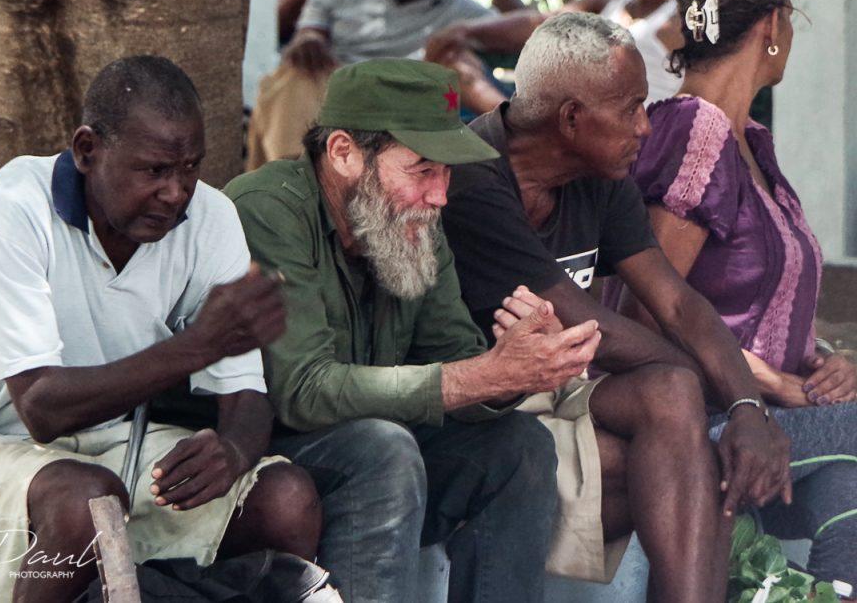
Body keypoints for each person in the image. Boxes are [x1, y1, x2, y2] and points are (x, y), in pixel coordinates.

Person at [0, 56, 321, 603]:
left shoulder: (211, 218)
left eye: (190, 168)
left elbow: (244, 393)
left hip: (116, 448)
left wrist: (232, 450)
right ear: (87, 150)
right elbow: (42, 408)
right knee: (87, 502)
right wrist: (198, 345)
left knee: (285, 499)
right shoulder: (18, 205)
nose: (176, 192)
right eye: (155, 170)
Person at [439, 13, 792, 602]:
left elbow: (677, 303)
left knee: (672, 395)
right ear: (571, 118)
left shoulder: (598, 175)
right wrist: (717, 387)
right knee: (685, 452)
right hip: (478, 404)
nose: (646, 127)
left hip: (558, 387)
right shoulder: (475, 178)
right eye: (630, 108)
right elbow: (580, 318)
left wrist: (748, 406)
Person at [225, 58, 602, 602]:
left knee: (520, 446)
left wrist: (519, 366)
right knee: (385, 448)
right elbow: (301, 390)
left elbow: (457, 356)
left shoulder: (413, 220)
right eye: (423, 170)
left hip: (378, 441)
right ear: (343, 153)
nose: (440, 194)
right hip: (260, 455)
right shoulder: (269, 209)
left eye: (447, 172)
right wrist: (482, 375)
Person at [602, 0, 857, 594]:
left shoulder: (752, 144)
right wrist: (773, 386)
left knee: (846, 492)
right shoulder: (697, 133)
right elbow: (648, 320)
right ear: (773, 23)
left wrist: (824, 363)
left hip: (778, 420)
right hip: (708, 425)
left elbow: (760, 307)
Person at [248, 0, 516, 171]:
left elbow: (531, 30)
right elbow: (309, 32)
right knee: (291, 78)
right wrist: (308, 40)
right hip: (332, 86)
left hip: (397, 104)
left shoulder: (461, 11)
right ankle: (292, 177)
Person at [426, 0, 689, 112]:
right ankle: (510, 126)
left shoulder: (683, 18)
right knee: (454, 60)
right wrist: (465, 32)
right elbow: (539, 25)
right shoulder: (606, 2)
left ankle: (512, 130)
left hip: (629, 129)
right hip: (571, 116)